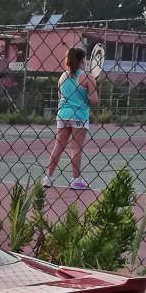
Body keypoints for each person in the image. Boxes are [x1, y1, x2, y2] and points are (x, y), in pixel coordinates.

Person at [44, 46, 99, 190]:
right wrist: (89, 94)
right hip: (79, 116)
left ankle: (47, 178)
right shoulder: (88, 77)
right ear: (82, 60)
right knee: (76, 148)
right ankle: (75, 179)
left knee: (58, 146)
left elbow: (60, 97)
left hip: (63, 115)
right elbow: (94, 101)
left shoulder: (62, 77)